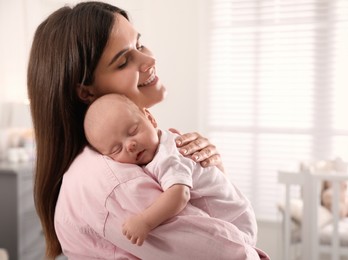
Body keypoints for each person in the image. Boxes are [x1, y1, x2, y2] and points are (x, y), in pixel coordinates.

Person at [27, 1, 269, 259]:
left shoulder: (135, 157)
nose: (150, 59)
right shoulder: (117, 183)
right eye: (123, 62)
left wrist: (211, 178)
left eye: (139, 44)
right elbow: (233, 254)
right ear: (86, 91)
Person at [84, 93, 258, 247]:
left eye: (133, 131)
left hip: (235, 220)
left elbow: (179, 194)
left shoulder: (166, 155)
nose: (130, 145)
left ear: (150, 119)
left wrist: (145, 221)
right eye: (116, 149)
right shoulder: (157, 147)